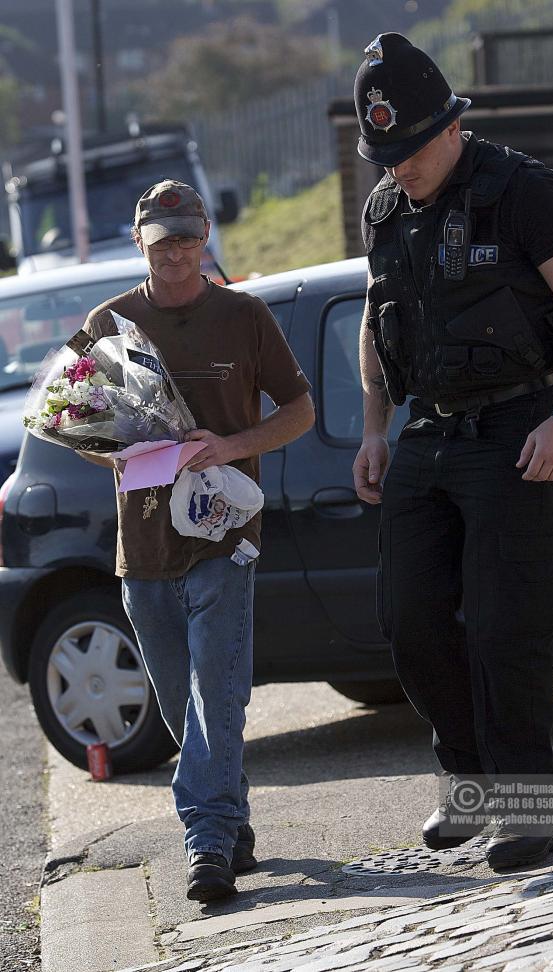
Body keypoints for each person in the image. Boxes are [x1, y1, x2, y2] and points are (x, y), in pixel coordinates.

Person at [351, 33, 553, 870]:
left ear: (451, 125)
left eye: (410, 149)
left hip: (520, 422)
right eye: (384, 154)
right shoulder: (386, 209)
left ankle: (526, 806)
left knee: (504, 627)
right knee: (409, 624)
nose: (398, 168)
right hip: (430, 427)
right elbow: (376, 318)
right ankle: (470, 788)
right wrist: (376, 427)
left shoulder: (524, 191)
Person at [81, 180, 314, 901]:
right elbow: (81, 426)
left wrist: (232, 444)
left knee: (219, 695)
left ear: (206, 234)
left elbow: (299, 409)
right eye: (162, 241)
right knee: (185, 710)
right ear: (139, 242)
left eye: (187, 238)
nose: (176, 253)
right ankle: (231, 819)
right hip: (144, 550)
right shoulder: (110, 320)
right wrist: (122, 449)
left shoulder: (242, 315)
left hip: (224, 538)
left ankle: (206, 843)